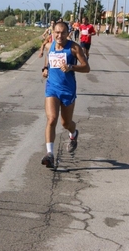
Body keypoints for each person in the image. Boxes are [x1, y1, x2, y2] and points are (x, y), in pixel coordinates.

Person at [40, 22, 90, 168]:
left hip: (68, 89)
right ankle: (49, 154)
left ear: (68, 33)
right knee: (51, 119)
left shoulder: (74, 48)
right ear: (53, 32)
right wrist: (45, 69)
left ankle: (73, 133)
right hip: (52, 88)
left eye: (62, 33)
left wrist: (71, 67)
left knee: (65, 123)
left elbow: (86, 67)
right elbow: (47, 60)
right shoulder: (50, 46)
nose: (59, 36)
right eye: (56, 32)